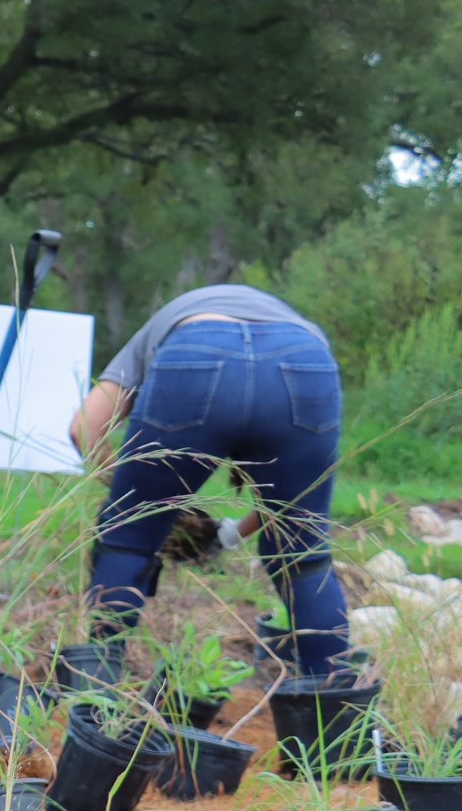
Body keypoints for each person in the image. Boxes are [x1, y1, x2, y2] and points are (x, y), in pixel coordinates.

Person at [69, 283, 349, 675]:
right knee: (302, 554)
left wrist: (139, 503)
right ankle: (337, 715)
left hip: (194, 352)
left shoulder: (162, 326)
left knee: (126, 541)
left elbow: (85, 428)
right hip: (305, 362)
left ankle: (95, 699)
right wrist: (228, 535)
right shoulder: (302, 328)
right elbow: (286, 505)